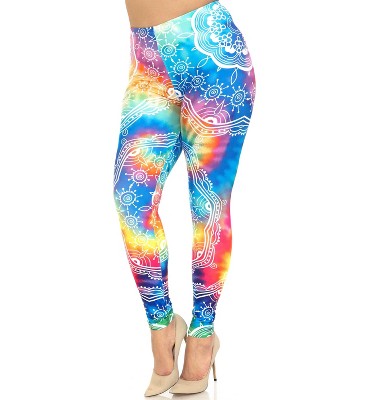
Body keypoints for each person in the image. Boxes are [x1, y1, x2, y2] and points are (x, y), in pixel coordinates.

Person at [112, 0, 256, 395]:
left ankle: (203, 336)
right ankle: (162, 328)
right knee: (130, 200)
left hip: (213, 57)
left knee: (208, 205)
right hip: (147, 65)